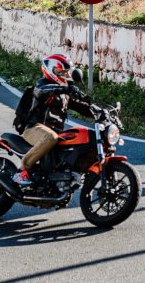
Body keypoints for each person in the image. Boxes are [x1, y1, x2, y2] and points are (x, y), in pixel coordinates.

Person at [12, 53, 95, 187]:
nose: (65, 75)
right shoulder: (43, 85)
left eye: (67, 72)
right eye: (62, 72)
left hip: (56, 132)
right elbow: (43, 91)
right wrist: (67, 88)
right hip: (34, 128)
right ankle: (22, 171)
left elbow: (84, 108)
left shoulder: (64, 94)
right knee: (51, 137)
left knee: (80, 139)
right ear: (51, 70)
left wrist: (101, 112)